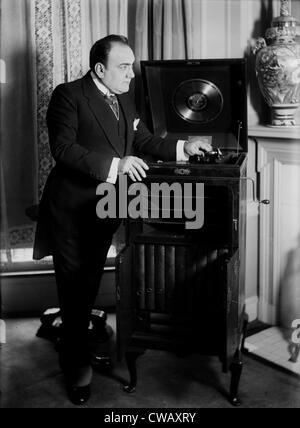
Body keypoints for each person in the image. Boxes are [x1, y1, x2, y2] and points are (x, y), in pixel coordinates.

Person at [33, 34, 212, 405]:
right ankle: (76, 365)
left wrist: (183, 146)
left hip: (105, 206)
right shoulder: (68, 95)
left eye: (131, 65)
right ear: (101, 68)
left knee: (89, 283)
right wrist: (118, 165)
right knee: (74, 290)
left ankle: (75, 342)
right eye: (124, 66)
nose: (131, 73)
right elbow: (63, 149)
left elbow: (143, 138)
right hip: (70, 210)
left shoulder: (126, 97)